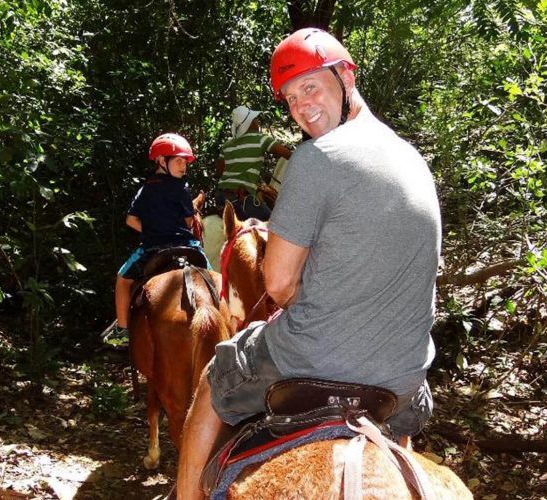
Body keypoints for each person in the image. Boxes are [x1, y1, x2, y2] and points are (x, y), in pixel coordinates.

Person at [176, 28, 442, 499]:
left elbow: (277, 283)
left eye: (311, 87)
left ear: (346, 76)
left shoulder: (317, 157)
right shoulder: (414, 159)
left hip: (313, 358)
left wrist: (313, 302)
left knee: (217, 375)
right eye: (291, 97)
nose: (301, 106)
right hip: (405, 377)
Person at [113, 133, 209, 340]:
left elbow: (130, 220)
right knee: (213, 278)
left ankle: (122, 330)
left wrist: (152, 230)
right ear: (161, 160)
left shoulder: (145, 189)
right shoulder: (182, 188)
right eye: (178, 160)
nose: (184, 166)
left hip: (153, 247)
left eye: (185, 161)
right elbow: (189, 222)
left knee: (122, 280)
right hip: (186, 245)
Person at [214, 105, 291, 220]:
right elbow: (288, 155)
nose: (258, 122)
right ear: (251, 122)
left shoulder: (227, 145)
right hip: (241, 200)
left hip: (221, 196)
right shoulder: (261, 139)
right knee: (276, 223)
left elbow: (219, 171)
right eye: (256, 119)